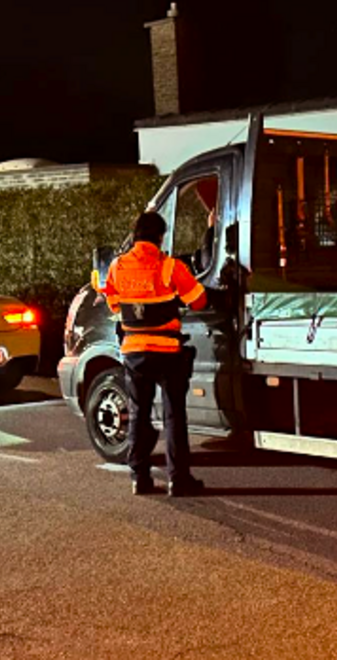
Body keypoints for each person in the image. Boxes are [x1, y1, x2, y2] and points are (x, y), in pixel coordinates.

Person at [101, 211, 209, 497]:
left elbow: (114, 304)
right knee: (174, 416)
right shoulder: (170, 266)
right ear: (160, 237)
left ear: (135, 235)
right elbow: (199, 301)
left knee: (138, 414)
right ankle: (179, 479)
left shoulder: (117, 266)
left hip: (134, 352)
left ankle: (140, 478)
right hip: (168, 352)